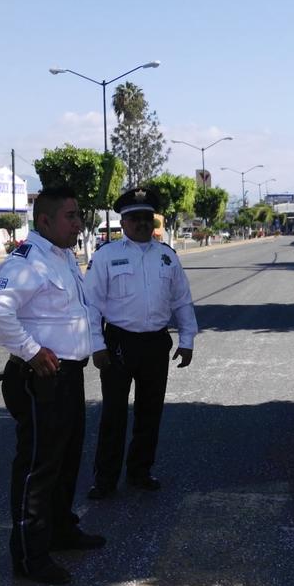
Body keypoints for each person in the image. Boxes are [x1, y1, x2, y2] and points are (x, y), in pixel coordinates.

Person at [0, 186, 105, 585]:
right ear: (45, 220)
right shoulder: (28, 261)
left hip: (68, 376)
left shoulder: (64, 257)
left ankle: (61, 530)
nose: (78, 223)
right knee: (37, 469)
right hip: (41, 379)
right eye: (70, 216)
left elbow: (80, 311)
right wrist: (32, 351)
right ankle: (31, 557)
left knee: (66, 460)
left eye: (78, 215)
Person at [83, 187, 198, 500]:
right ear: (123, 223)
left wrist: (186, 339)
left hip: (155, 344)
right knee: (114, 414)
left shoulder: (167, 257)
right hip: (118, 343)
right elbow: (91, 304)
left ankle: (140, 471)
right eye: (135, 218)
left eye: (147, 218)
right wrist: (97, 344)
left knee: (150, 412)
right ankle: (105, 479)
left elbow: (182, 301)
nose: (142, 224)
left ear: (154, 222)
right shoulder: (106, 256)